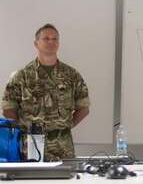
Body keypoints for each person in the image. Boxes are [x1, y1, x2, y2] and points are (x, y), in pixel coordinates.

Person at [2, 23, 90, 161]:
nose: (51, 42)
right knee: (30, 181)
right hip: (30, 146)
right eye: (46, 38)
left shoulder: (72, 75)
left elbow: (84, 108)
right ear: (36, 43)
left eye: (55, 39)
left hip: (63, 147)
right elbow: (8, 109)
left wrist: (64, 127)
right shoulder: (21, 76)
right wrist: (25, 130)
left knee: (64, 182)